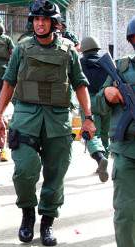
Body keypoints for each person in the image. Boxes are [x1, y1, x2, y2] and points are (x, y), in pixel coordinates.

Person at [0, 1, 96, 245]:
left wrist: (88, 118)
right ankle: (28, 213)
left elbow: (80, 84)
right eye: (36, 19)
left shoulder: (69, 50)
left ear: (54, 23)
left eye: (45, 20)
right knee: (24, 171)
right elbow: (8, 82)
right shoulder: (21, 48)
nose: (40, 23)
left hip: (57, 120)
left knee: (55, 175)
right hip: (26, 118)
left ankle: (47, 222)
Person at [95, 16, 135, 247]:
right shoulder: (120, 68)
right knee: (126, 213)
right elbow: (99, 105)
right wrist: (107, 95)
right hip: (127, 151)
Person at [80, 36, 110, 182]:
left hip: (88, 102)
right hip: (106, 100)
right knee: (105, 132)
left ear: (84, 49)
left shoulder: (80, 64)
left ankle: (100, 158)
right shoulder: (106, 62)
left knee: (91, 133)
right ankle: (105, 159)